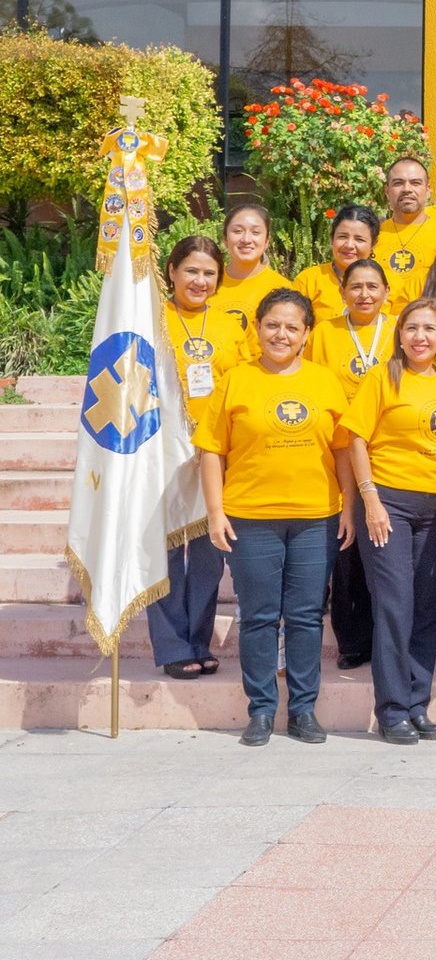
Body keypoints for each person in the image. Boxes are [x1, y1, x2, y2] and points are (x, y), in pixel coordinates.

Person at [195, 287, 352, 747]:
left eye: (291, 327)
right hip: (250, 517)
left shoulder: (325, 381)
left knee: (305, 617)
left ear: (306, 334)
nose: (281, 334)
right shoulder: (235, 380)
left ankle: (303, 709)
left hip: (315, 517)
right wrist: (215, 511)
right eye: (272, 325)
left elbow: (342, 449)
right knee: (260, 617)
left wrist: (350, 508)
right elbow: (210, 450)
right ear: (258, 328)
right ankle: (261, 710)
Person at [341, 297, 436, 745]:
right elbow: (356, 438)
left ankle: (417, 705)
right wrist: (369, 499)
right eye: (412, 328)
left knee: (424, 607)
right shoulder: (384, 376)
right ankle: (391, 709)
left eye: (430, 329)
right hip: (388, 502)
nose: (420, 337)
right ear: (400, 333)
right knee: (394, 605)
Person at [149, 235, 249, 681]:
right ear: (171, 271)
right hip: (163, 450)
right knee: (166, 548)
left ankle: (199, 639)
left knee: (211, 551)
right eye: (191, 270)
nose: (200, 280)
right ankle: (172, 644)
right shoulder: (150, 319)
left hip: (214, 453)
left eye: (209, 273)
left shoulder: (229, 324)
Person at [303, 256, 391, 670]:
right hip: (338, 447)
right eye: (355, 286)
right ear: (341, 293)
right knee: (348, 546)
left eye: (373, 286)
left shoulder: (396, 330)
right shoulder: (325, 332)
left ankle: (388, 635)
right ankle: (352, 639)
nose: (364, 294)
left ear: (387, 293)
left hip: (389, 450)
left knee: (387, 549)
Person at [206, 203, 293, 335]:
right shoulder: (207, 283)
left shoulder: (282, 288)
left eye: (255, 232)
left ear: (266, 242)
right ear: (225, 239)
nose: (246, 239)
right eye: (237, 231)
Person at [372, 156, 436, 308]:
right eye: (398, 183)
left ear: (428, 190)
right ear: (387, 191)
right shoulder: (372, 236)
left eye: (415, 183)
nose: (407, 189)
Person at [292, 205, 381, 324]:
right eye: (342, 237)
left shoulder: (389, 282)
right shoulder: (308, 280)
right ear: (331, 238)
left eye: (359, 239)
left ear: (373, 244)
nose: (349, 245)